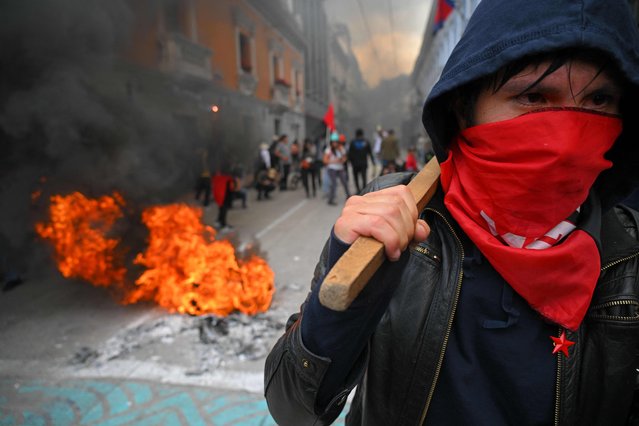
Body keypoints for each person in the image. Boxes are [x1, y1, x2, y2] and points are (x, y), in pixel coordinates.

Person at [264, 0, 639, 425]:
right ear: (465, 106)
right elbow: (292, 409)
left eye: (599, 100)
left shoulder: (629, 252)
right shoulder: (396, 220)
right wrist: (347, 289)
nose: (570, 134)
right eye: (534, 96)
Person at [323, 136, 350, 206]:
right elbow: (325, 160)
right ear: (331, 143)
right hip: (332, 169)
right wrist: (334, 161)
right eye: (333, 142)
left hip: (340, 168)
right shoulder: (328, 150)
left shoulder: (341, 149)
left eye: (336, 142)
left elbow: (345, 157)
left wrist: (343, 160)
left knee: (345, 182)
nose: (335, 144)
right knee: (334, 184)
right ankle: (331, 199)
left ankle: (349, 196)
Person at [347, 128, 376, 193]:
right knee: (364, 177)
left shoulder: (352, 142)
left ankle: (358, 190)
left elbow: (350, 154)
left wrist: (349, 162)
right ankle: (364, 190)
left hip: (355, 164)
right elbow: (370, 153)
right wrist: (373, 161)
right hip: (364, 163)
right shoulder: (366, 142)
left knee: (356, 178)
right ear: (362, 134)